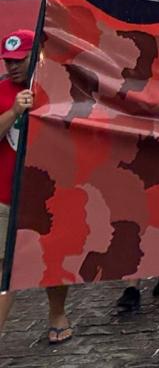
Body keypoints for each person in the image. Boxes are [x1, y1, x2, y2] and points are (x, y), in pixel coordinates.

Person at [0, 29, 74, 343]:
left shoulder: (58, 87)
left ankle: (57, 314)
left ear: (37, 56)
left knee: (51, 259)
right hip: (4, 194)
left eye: (19, 60)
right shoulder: (3, 90)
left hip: (48, 192)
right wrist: (14, 110)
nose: (12, 67)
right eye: (7, 61)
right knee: (5, 268)